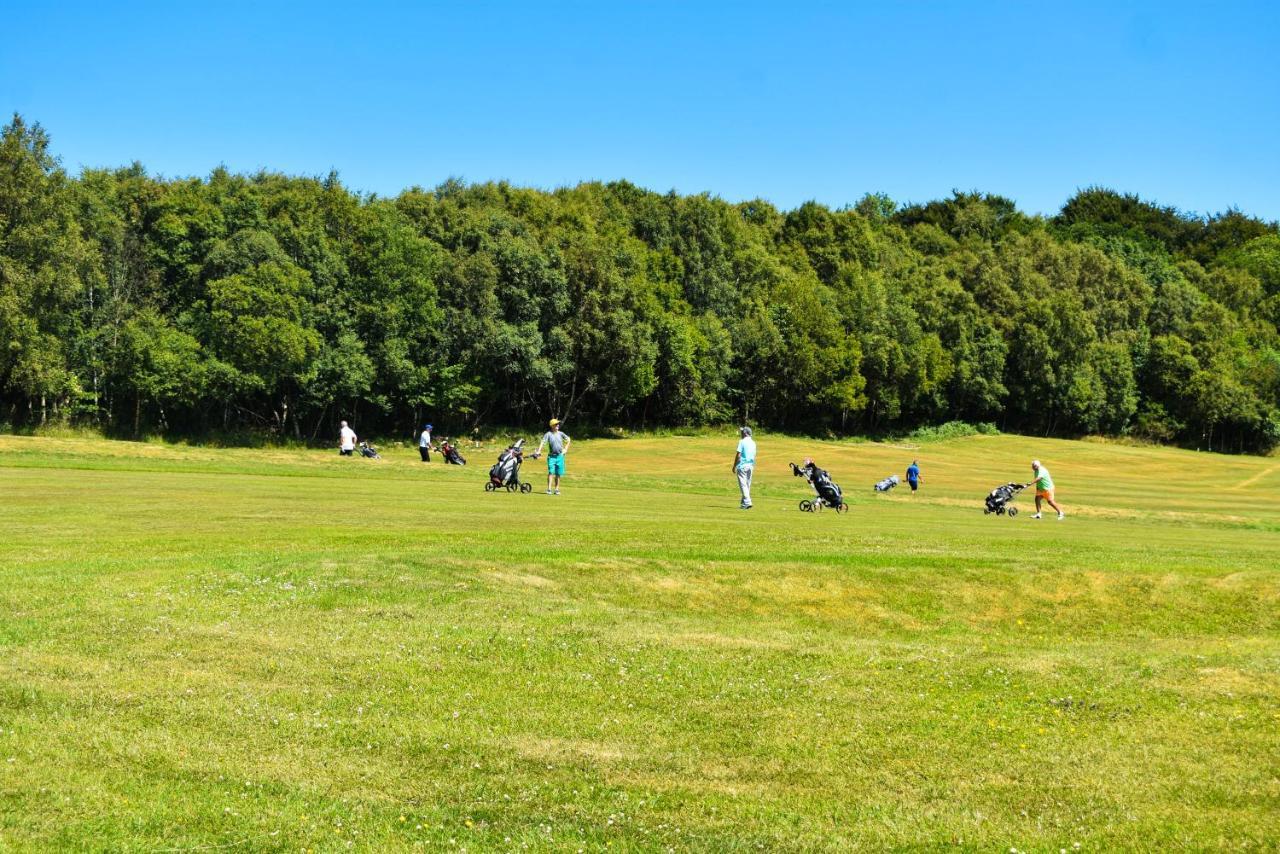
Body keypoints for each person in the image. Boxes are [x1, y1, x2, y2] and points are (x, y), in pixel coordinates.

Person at [536, 418, 571, 495]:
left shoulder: (561, 433)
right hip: (551, 457)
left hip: (560, 457)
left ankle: (557, 489)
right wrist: (539, 451)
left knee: (558, 474)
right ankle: (549, 489)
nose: (557, 425)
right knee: (551, 472)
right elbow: (543, 442)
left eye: (558, 424)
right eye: (556, 424)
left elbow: (568, 439)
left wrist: (565, 449)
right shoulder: (548, 434)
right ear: (552, 426)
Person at [733, 426, 756, 510]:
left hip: (742, 465)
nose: (741, 433)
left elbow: (738, 455)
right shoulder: (753, 443)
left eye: (742, 432)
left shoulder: (742, 442)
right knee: (747, 485)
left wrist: (734, 466)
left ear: (745, 433)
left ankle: (748, 502)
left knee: (743, 485)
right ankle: (744, 504)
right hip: (750, 466)